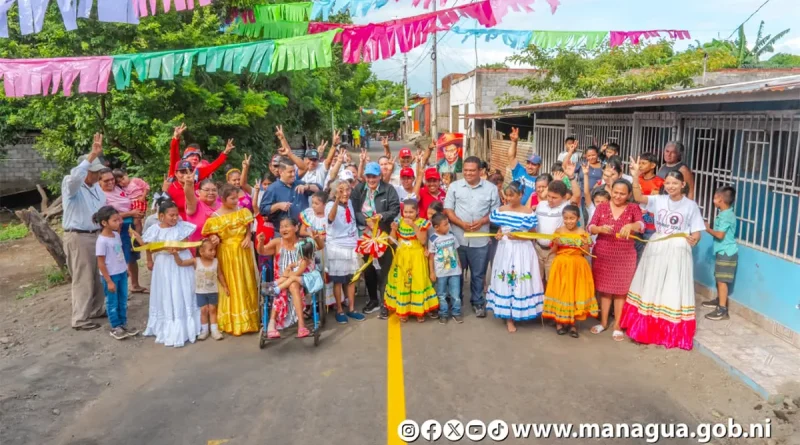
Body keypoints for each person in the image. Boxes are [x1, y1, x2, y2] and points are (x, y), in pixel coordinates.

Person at [621, 159, 705, 350]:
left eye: (675, 183)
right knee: (653, 282)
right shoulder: (658, 200)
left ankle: (668, 330)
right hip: (658, 246)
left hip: (678, 249)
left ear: (682, 185)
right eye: (668, 183)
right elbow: (638, 197)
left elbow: (697, 231)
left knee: (672, 286)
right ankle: (646, 327)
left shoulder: (691, 206)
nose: (671, 186)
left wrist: (694, 239)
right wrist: (635, 176)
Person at [444, 156, 502, 317]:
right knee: (455, 273)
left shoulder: (491, 188)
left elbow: (495, 212)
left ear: (480, 171)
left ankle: (478, 302)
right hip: (457, 240)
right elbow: (448, 210)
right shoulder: (454, 187)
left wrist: (483, 221)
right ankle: (456, 302)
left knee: (478, 274)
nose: (468, 173)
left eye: (472, 170)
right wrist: (460, 223)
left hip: (480, 241)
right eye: (466, 170)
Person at [63, 133, 107, 331]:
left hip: (96, 234)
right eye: (93, 171)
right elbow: (75, 178)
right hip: (79, 235)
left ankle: (96, 309)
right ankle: (80, 318)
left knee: (98, 274)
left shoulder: (97, 188)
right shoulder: (72, 184)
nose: (97, 175)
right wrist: (91, 156)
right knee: (83, 277)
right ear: (86, 170)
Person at [202, 185, 260, 336]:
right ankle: (232, 321)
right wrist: (213, 237)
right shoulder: (215, 217)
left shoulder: (242, 211)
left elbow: (248, 226)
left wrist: (248, 237)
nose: (236, 201)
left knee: (245, 282)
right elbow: (211, 235)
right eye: (232, 198)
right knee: (231, 284)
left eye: (236, 198)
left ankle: (249, 319)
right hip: (226, 254)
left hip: (243, 252)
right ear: (222, 199)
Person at [486, 181, 543, 333]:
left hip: (523, 250)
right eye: (507, 195)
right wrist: (499, 234)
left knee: (520, 280)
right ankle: (509, 317)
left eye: (512, 195)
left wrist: (520, 237)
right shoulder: (501, 211)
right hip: (505, 250)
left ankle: (521, 311)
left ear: (521, 195)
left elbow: (533, 234)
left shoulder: (528, 213)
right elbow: (501, 229)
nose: (509, 199)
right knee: (507, 281)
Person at [142, 200, 200, 347]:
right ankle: (168, 323)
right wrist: (150, 260)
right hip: (163, 264)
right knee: (167, 291)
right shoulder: (154, 229)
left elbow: (185, 243)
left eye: (176, 215)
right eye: (171, 215)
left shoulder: (182, 227)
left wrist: (175, 249)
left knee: (183, 289)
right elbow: (149, 247)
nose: (175, 218)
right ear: (161, 216)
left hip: (181, 261)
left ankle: (188, 324)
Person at [351, 162, 401, 318]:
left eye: (374, 176)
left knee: (386, 269)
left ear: (380, 176)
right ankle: (373, 299)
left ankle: (385, 302)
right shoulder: (359, 189)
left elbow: (395, 208)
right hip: (365, 236)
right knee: (369, 268)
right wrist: (366, 221)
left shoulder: (389, 189)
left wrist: (381, 217)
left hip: (383, 235)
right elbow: (354, 210)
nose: (371, 180)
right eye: (368, 176)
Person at [256, 217, 317, 339]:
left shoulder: (303, 244)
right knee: (284, 288)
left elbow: (317, 248)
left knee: (292, 285)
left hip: (297, 278)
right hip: (282, 278)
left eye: (287, 226)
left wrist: (317, 238)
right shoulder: (277, 243)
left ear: (296, 228)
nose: (283, 229)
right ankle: (272, 323)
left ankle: (300, 326)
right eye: (281, 227)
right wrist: (261, 242)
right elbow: (262, 251)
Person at [543, 205, 597, 338]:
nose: (569, 221)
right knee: (561, 292)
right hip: (561, 265)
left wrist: (584, 243)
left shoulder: (582, 233)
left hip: (577, 266)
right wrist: (556, 243)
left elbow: (587, 252)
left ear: (578, 218)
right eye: (566, 218)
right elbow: (554, 250)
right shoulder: (558, 231)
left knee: (575, 293)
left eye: (572, 218)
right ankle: (559, 323)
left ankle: (573, 324)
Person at [386, 199, 438, 322]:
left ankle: (419, 311)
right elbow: (391, 241)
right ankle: (404, 310)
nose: (408, 215)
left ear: (417, 211)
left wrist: (414, 226)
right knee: (403, 282)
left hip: (417, 257)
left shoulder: (422, 223)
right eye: (406, 212)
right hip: (402, 257)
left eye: (411, 212)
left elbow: (422, 241)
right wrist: (393, 230)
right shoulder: (398, 222)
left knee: (418, 282)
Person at [97, 169, 147, 294]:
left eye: (112, 179)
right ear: (99, 182)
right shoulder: (101, 196)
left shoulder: (119, 188)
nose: (110, 182)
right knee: (121, 257)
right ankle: (120, 289)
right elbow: (108, 216)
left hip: (131, 224)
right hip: (118, 228)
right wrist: (131, 213)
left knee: (133, 256)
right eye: (106, 180)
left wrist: (138, 213)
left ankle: (135, 285)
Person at [171, 239, 228, 341]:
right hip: (200, 292)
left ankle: (214, 330)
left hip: (213, 291)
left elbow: (220, 275)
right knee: (203, 310)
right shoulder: (195, 261)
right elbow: (181, 263)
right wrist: (175, 254)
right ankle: (204, 330)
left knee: (212, 310)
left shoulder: (216, 262)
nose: (214, 252)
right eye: (210, 250)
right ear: (201, 252)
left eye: (214, 249)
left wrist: (225, 286)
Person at [94, 205, 136, 340]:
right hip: (111, 275)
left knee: (123, 299)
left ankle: (123, 324)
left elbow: (119, 254)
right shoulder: (101, 241)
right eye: (115, 220)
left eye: (119, 220)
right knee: (112, 301)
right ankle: (115, 326)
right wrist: (108, 281)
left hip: (121, 272)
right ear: (104, 222)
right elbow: (101, 263)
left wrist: (125, 268)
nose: (118, 222)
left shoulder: (116, 235)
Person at [325, 180, 365, 323]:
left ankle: (352, 309)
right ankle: (339, 310)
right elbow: (330, 219)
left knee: (351, 279)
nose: (345, 193)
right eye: (341, 190)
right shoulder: (330, 205)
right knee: (338, 280)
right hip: (337, 246)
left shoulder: (350, 204)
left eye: (347, 190)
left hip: (351, 245)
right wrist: (337, 200)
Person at [535, 164, 581, 282]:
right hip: (537, 249)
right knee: (537, 281)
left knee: (552, 281)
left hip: (554, 252)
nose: (550, 200)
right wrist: (554, 182)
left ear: (564, 197)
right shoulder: (541, 205)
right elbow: (543, 195)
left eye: (554, 198)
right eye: (549, 196)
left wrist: (571, 177)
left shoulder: (565, 207)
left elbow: (577, 196)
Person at [702, 186, 738, 321]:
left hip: (726, 252)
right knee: (719, 278)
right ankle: (719, 300)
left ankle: (722, 310)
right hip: (723, 250)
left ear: (720, 200)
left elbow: (720, 235)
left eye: (715, 198)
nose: (713, 200)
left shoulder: (726, 216)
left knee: (722, 281)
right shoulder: (725, 213)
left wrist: (707, 229)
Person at [260, 160, 319, 235]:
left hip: (303, 232)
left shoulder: (300, 184)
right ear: (281, 172)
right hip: (282, 233)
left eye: (294, 171)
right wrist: (278, 205)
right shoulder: (272, 189)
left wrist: (307, 187)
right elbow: (263, 210)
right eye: (290, 172)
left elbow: (319, 189)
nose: (293, 174)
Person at [300, 191, 334, 307]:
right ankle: (314, 300)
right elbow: (302, 231)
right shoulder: (309, 215)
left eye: (316, 203)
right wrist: (311, 234)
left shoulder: (329, 216)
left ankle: (329, 300)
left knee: (327, 272)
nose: (313, 206)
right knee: (314, 270)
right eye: (313, 203)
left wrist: (325, 236)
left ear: (324, 205)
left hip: (327, 248)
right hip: (313, 248)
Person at [428, 213, 463, 324]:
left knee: (455, 295)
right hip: (441, 272)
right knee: (441, 295)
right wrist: (432, 272)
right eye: (445, 224)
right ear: (436, 227)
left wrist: (459, 264)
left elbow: (455, 251)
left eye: (448, 224)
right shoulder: (433, 239)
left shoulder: (452, 236)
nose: (448, 226)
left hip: (454, 271)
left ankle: (456, 312)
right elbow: (431, 257)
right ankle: (443, 314)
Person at [168, 123, 232, 183]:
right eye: (192, 155)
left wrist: (225, 153)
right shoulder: (177, 166)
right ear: (185, 158)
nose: (195, 158)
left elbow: (214, 165)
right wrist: (176, 139)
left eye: (197, 156)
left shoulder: (199, 173)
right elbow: (174, 154)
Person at [634, 153, 664, 261]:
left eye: (643, 163)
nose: (640, 166)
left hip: (651, 223)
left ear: (653, 165)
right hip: (637, 220)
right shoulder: (636, 180)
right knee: (636, 251)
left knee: (650, 253)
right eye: (639, 163)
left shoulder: (660, 182)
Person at [507, 127, 540, 204]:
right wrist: (514, 142)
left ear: (539, 166)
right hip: (510, 207)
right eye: (528, 163)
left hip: (526, 210)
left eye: (533, 164)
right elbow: (511, 157)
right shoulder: (519, 170)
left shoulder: (540, 182)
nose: (529, 166)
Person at [112, 169, 150, 236]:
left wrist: (143, 196)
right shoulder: (122, 188)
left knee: (136, 221)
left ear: (126, 174)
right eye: (119, 182)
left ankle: (138, 236)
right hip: (132, 205)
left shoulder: (135, 181)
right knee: (134, 221)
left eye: (123, 179)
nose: (122, 182)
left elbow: (146, 187)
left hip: (139, 202)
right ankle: (136, 235)